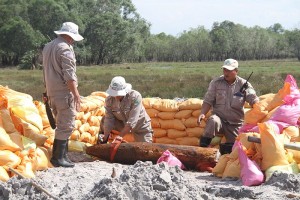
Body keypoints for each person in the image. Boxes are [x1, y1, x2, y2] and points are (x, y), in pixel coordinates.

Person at [42, 22, 84, 167]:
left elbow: (45, 71)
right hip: (63, 94)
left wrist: (46, 91)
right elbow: (69, 76)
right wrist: (76, 95)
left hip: (52, 93)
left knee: (60, 124)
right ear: (70, 37)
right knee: (66, 125)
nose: (73, 41)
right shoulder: (65, 48)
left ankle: (63, 156)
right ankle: (58, 158)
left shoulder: (48, 47)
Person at [198, 58, 259, 154]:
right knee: (213, 120)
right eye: (225, 70)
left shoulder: (244, 85)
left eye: (229, 70)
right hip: (219, 120)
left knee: (233, 149)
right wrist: (202, 113)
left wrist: (259, 110)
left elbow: (253, 100)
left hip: (235, 124)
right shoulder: (216, 83)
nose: (226, 73)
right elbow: (208, 100)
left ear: (236, 71)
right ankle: (202, 151)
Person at [100, 76, 153, 144]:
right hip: (122, 124)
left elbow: (132, 121)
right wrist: (105, 137)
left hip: (140, 125)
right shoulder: (109, 100)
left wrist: (120, 136)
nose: (116, 96)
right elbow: (109, 120)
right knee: (104, 120)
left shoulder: (135, 97)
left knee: (146, 148)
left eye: (118, 94)